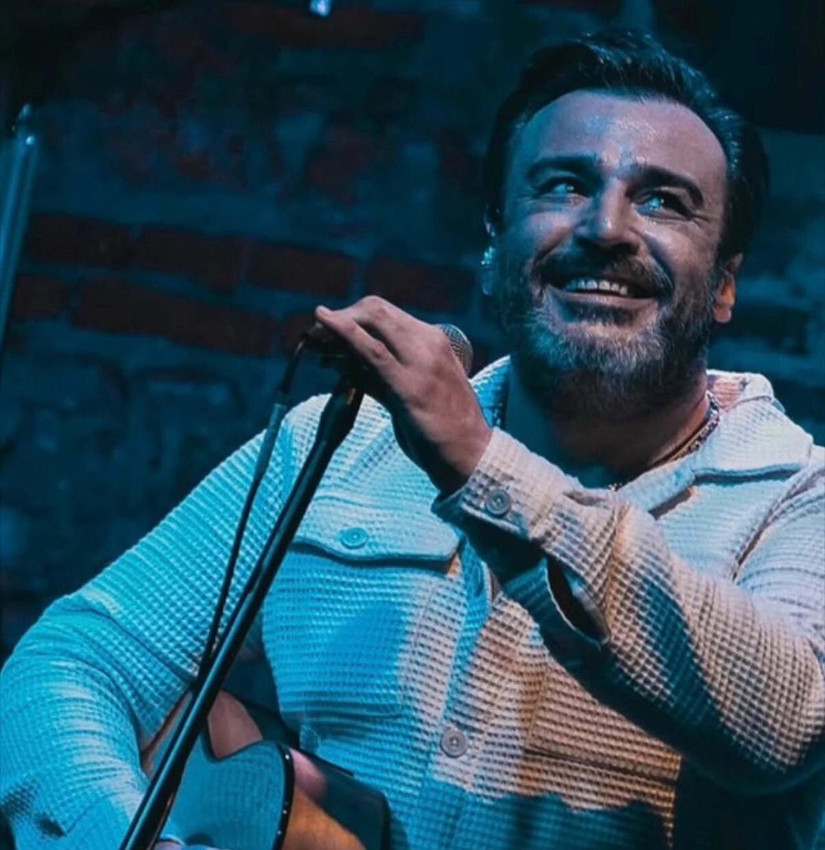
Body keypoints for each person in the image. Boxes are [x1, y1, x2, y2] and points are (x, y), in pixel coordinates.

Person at [1, 29, 823, 850]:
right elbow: (72, 661)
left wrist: (479, 464)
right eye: (564, 185)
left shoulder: (795, 496)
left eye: (662, 201)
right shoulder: (337, 446)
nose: (604, 227)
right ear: (494, 246)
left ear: (724, 284)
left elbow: (785, 724)